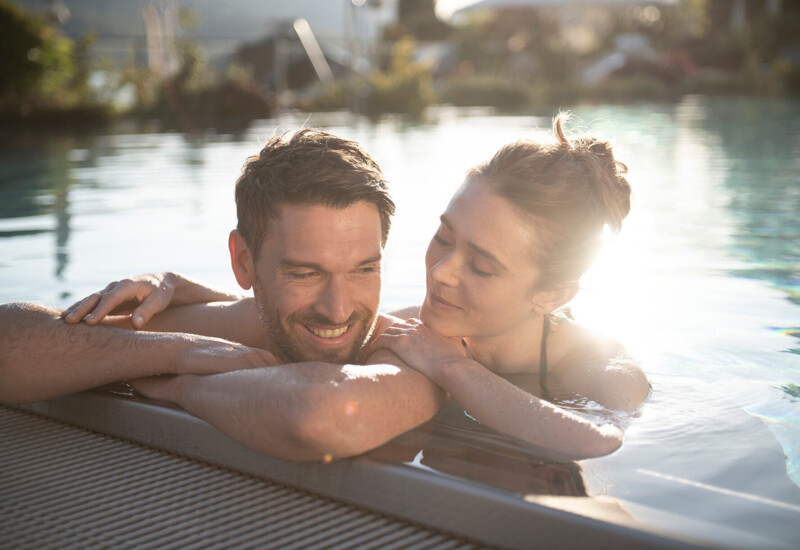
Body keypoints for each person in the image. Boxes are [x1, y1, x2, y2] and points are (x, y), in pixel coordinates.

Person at [1, 119, 644, 461]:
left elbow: (601, 440)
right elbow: (242, 314)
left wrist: (454, 368)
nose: (442, 272)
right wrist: (173, 304)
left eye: (482, 265)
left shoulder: (594, 362)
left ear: (553, 293)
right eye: (444, 238)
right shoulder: (397, 333)